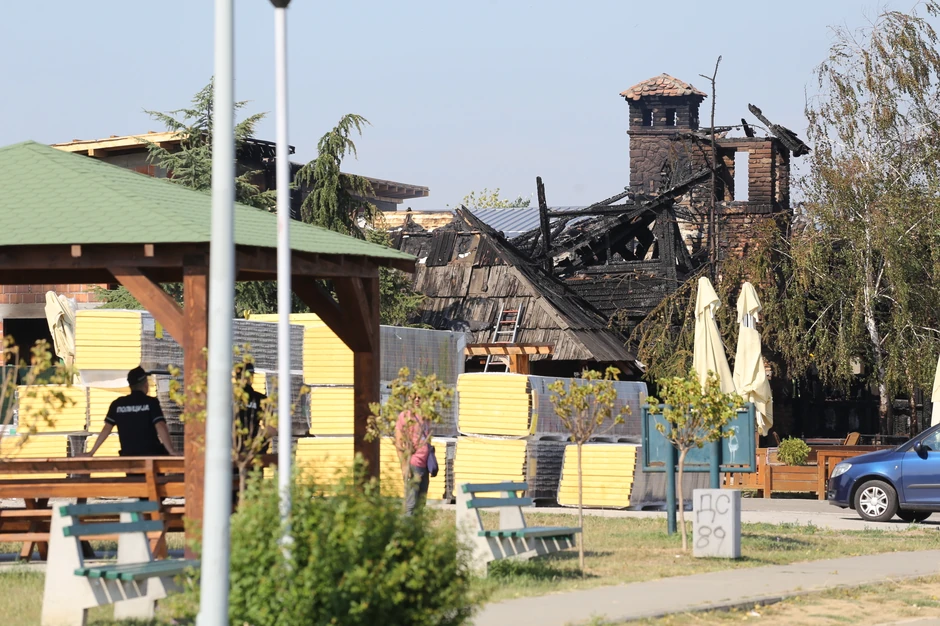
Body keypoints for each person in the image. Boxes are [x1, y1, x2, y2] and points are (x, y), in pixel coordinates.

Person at [82, 366, 178, 457]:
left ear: (130, 386)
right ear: (145, 384)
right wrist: (171, 451)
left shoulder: (117, 404)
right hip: (151, 455)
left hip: (128, 456)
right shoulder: (151, 403)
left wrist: (91, 452)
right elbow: (160, 425)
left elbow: (106, 429)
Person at [234, 362, 276, 458]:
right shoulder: (262, 400)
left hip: (228, 453)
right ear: (251, 377)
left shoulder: (225, 398)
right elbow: (271, 430)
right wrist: (260, 445)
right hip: (253, 452)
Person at [395, 406, 431, 515]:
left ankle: (417, 531)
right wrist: (404, 466)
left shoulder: (426, 416)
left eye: (419, 397)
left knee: (421, 504)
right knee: (411, 504)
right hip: (413, 464)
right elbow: (399, 443)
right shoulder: (406, 416)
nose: (417, 399)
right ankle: (407, 531)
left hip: (425, 465)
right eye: (414, 396)